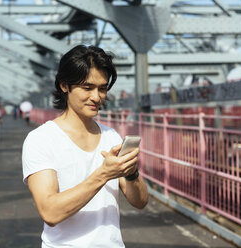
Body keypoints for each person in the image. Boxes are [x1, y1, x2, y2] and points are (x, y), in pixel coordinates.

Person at [22, 45, 148, 247]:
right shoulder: (41, 139)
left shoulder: (111, 136)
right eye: (87, 88)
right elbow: (50, 212)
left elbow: (140, 202)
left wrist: (132, 173)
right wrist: (104, 174)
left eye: (102, 88)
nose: (96, 97)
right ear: (65, 86)